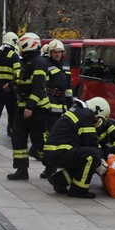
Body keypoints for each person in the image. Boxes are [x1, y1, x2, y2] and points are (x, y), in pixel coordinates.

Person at [43, 97, 111, 198]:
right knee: (92, 155)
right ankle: (79, 190)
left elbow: (89, 141)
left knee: (84, 157)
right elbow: (91, 142)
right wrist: (101, 160)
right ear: (96, 110)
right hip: (59, 151)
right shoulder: (86, 115)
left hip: (55, 151)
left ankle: (59, 180)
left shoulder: (79, 111)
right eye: (98, 118)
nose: (97, 121)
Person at [8, 32, 49, 181]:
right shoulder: (29, 61)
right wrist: (11, 85)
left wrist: (30, 107)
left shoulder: (38, 62)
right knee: (18, 137)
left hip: (36, 108)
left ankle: (50, 166)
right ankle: (21, 169)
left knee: (39, 140)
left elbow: (38, 87)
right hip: (23, 106)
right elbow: (24, 81)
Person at [41, 39, 73, 178]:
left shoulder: (65, 64)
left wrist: (70, 101)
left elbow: (68, 85)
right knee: (50, 137)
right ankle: (50, 167)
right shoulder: (45, 64)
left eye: (59, 52)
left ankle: (62, 165)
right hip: (51, 103)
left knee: (64, 136)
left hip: (63, 104)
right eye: (55, 52)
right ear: (50, 52)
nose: (57, 54)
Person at [0, 32, 21, 150]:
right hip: (9, 90)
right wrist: (11, 85)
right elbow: (18, 75)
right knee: (13, 116)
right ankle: (15, 140)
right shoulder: (14, 56)